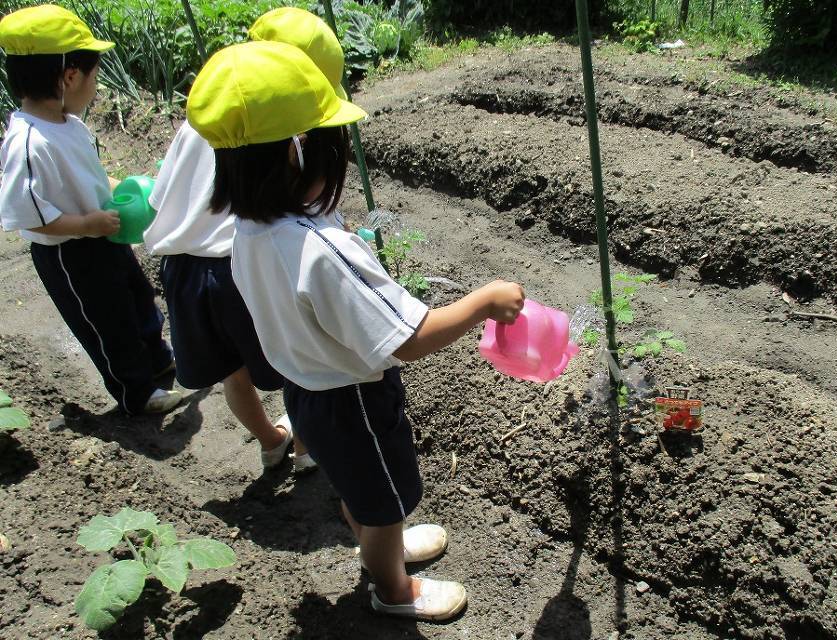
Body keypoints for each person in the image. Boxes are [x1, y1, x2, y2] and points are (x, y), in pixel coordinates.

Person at [187, 41, 525, 621]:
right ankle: (393, 587)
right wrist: (482, 303)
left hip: (306, 394)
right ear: (297, 154)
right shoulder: (320, 251)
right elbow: (407, 339)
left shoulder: (244, 233)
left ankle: (379, 533)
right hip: (356, 401)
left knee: (358, 489)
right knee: (381, 502)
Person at [141, 6, 357, 473]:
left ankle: (270, 441)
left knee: (229, 373)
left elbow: (159, 200)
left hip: (182, 270)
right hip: (242, 265)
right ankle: (304, 449)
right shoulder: (282, 138)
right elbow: (307, 214)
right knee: (296, 366)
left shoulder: (208, 121)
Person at [0, 5, 180, 415]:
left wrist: (125, 190)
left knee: (136, 296)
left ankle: (157, 357)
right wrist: (85, 224)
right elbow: (25, 212)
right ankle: (135, 392)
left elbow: (90, 177)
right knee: (105, 322)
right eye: (95, 78)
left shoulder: (69, 123)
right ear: (69, 77)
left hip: (103, 236)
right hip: (70, 253)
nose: (96, 88)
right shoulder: (28, 142)